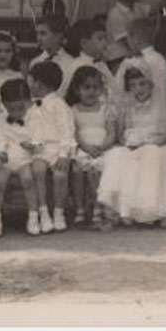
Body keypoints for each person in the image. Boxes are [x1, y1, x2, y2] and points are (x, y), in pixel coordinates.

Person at [97, 62, 166, 227]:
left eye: (142, 84)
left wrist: (147, 142)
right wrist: (129, 142)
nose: (138, 89)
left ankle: (151, 211)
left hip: (158, 145)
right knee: (116, 154)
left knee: (151, 154)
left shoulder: (163, 104)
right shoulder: (128, 106)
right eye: (133, 86)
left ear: (151, 85)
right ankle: (126, 211)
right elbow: (122, 134)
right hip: (133, 146)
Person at [26, 61, 75, 233]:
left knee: (60, 175)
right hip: (39, 149)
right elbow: (28, 129)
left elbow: (67, 131)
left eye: (30, 80)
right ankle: (43, 212)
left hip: (58, 148)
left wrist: (63, 154)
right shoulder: (31, 106)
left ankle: (58, 213)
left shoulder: (59, 105)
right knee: (38, 171)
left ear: (37, 83)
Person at [65, 65, 117, 226]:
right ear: (77, 90)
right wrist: (86, 148)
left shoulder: (106, 109)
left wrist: (102, 147)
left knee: (96, 170)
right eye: (86, 87)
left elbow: (111, 134)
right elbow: (75, 134)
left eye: (95, 87)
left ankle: (98, 207)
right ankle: (79, 208)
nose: (91, 91)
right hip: (83, 148)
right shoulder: (73, 110)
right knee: (77, 170)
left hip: (103, 149)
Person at [0, 79, 42, 237]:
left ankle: (33, 217)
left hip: (24, 156)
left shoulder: (34, 117)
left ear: (28, 102)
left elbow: (40, 137)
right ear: (4, 105)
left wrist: (32, 144)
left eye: (20, 108)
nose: (16, 113)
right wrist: (0, 151)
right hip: (7, 155)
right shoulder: (1, 119)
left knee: (28, 180)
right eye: (11, 109)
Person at [106, 0, 151, 68]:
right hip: (119, 61)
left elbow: (157, 10)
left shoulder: (138, 7)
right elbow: (127, 42)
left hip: (136, 57)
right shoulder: (115, 14)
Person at [64, 18, 115, 95]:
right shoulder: (76, 66)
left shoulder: (102, 64)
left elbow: (114, 89)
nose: (105, 42)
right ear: (84, 43)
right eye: (100, 38)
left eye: (105, 37)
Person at [29, 16, 76, 96]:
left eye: (43, 33)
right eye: (37, 33)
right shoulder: (35, 62)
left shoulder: (71, 63)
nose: (38, 38)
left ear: (58, 36)